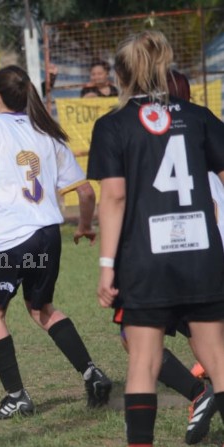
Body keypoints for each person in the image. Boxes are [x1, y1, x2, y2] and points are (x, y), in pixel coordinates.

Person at [0, 65, 112, 420]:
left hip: (8, 239)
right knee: (41, 308)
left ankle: (16, 395)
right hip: (48, 233)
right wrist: (83, 226)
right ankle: (91, 372)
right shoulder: (47, 132)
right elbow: (85, 191)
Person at [87, 30, 224, 447]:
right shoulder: (198, 116)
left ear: (121, 75)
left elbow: (114, 195)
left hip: (146, 259)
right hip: (200, 255)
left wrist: (107, 266)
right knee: (217, 356)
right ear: (163, 69)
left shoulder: (112, 124)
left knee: (143, 361)